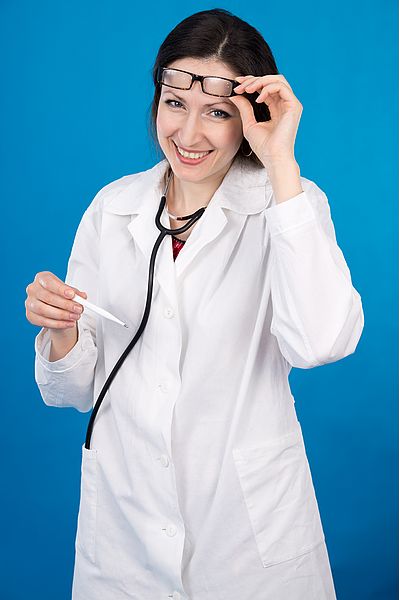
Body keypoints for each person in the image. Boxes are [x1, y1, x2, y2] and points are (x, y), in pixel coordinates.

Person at [25, 8, 364, 600]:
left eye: (217, 112)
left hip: (245, 541)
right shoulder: (114, 208)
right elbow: (71, 391)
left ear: (251, 117)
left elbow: (321, 343)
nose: (187, 134)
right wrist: (61, 331)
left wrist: (282, 163)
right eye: (175, 103)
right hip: (124, 536)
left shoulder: (287, 205)